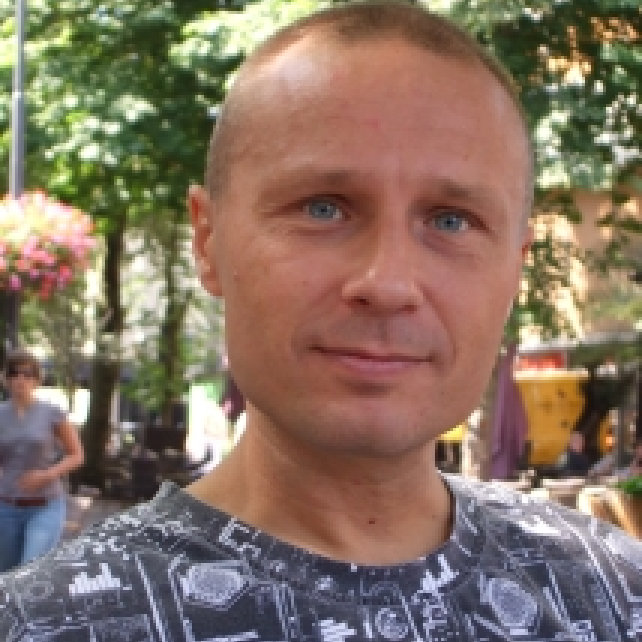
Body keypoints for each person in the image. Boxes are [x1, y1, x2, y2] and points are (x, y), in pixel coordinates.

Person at [1, 4, 642, 641]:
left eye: (452, 220)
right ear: (208, 241)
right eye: (323, 208)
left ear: (515, 268)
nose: (388, 284)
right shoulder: (44, 625)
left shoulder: (615, 592)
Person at [0, 349, 84, 572]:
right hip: (5, 506)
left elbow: (77, 455)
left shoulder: (52, 413)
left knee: (30, 570)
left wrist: (48, 474)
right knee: (7, 576)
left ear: (37, 380)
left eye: (27, 374)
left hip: (45, 506)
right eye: (14, 373)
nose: (20, 379)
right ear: (5, 379)